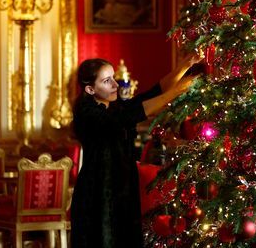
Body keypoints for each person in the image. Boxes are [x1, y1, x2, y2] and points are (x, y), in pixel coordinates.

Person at [70, 53, 201, 248]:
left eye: (113, 77)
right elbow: (135, 113)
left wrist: (183, 66)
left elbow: (153, 93)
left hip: (123, 186)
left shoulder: (114, 106)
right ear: (90, 89)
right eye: (107, 81)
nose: (116, 85)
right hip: (98, 192)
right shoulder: (88, 115)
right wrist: (176, 92)